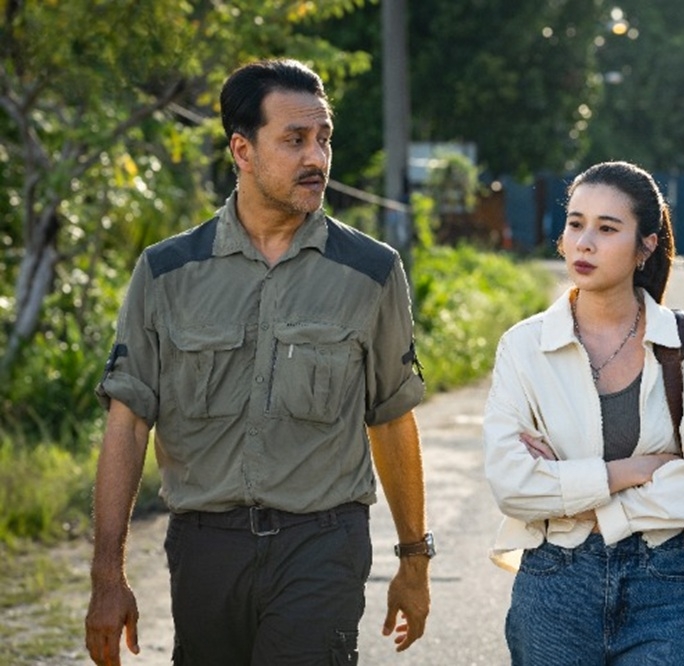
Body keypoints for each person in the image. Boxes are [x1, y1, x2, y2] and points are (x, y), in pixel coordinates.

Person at [85, 58, 434, 665]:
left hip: (321, 544)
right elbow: (128, 422)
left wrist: (414, 561)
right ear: (242, 151)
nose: (318, 158)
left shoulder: (371, 271)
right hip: (204, 550)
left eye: (323, 138)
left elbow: (392, 417)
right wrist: (106, 577)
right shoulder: (167, 273)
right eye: (294, 140)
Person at [482, 161, 684, 665]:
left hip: (662, 586)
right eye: (576, 223)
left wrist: (571, 496)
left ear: (646, 245)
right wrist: (635, 470)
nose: (584, 242)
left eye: (607, 228)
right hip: (554, 583)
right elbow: (512, 485)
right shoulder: (524, 347)